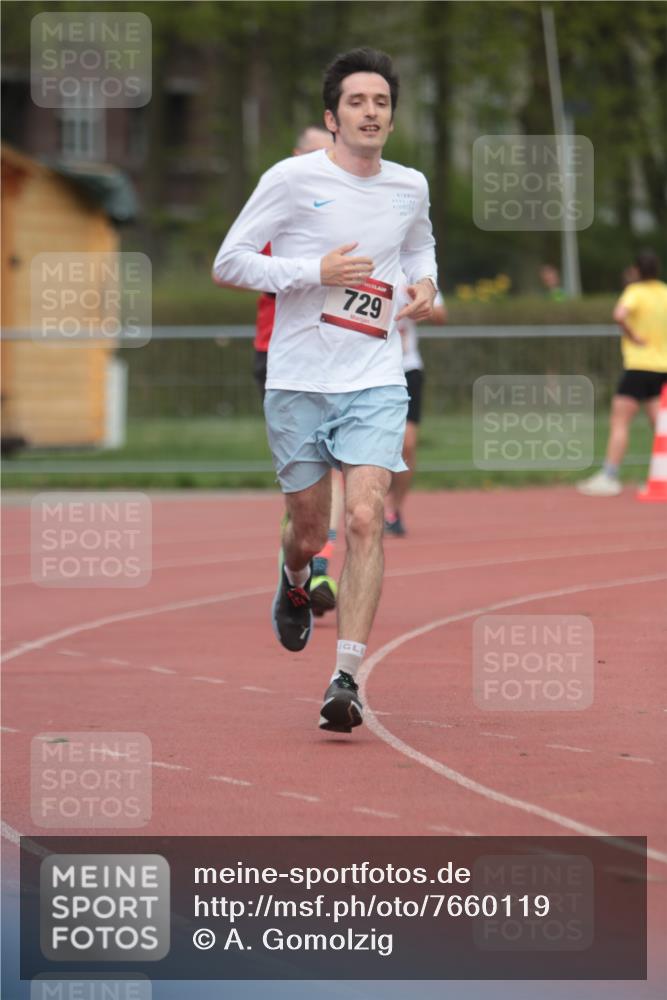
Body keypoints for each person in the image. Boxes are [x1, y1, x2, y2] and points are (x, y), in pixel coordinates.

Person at [212, 46, 437, 733]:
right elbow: (229, 263)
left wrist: (426, 285)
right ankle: (291, 577)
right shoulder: (289, 179)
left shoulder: (409, 186)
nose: (370, 112)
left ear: (391, 118)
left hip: (374, 375)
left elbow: (419, 247)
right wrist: (317, 270)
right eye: (356, 102)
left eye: (380, 103)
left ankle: (345, 677)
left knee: (365, 516)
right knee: (309, 531)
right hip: (299, 380)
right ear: (331, 117)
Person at [250, 126, 341, 616]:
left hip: (339, 354)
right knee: (303, 475)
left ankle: (315, 563)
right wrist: (317, 269)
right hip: (280, 355)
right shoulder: (279, 205)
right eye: (312, 153)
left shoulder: (351, 208)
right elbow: (256, 274)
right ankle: (301, 559)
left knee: (337, 468)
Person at [577, 249, 667, 497]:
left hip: (639, 365)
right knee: (661, 426)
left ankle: (609, 475)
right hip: (662, 367)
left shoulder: (635, 292)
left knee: (619, 422)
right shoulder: (664, 292)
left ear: (636, 270)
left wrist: (632, 335)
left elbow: (619, 315)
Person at [385, 280, 446, 537]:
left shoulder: (415, 273)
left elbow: (441, 316)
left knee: (407, 445)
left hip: (408, 369)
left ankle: (394, 510)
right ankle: (368, 505)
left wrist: (421, 302)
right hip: (372, 372)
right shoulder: (369, 265)